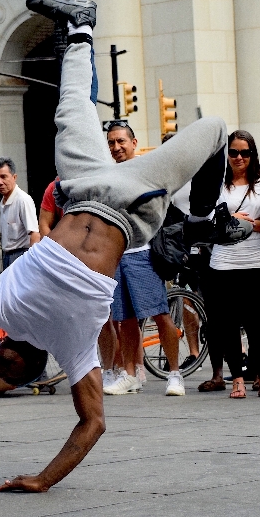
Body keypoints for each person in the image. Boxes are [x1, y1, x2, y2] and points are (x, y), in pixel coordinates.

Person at [0, 0, 247, 492]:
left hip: (84, 188)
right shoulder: (72, 351)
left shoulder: (5, 306)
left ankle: (81, 28)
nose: (0, 351)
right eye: (4, 360)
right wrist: (42, 479)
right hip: (131, 202)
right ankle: (205, 218)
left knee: (71, 107)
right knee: (215, 128)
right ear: (30, 364)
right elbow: (92, 423)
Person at [101, 121, 188, 397]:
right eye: (112, 143)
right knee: (124, 319)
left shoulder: (147, 171)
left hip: (144, 254)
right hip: (117, 256)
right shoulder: (107, 176)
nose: (116, 147)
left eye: (121, 141)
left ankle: (175, 375)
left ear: (134, 143)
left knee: (160, 315)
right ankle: (130, 374)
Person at [201, 130, 260, 398]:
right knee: (228, 324)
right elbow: (208, 223)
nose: (238, 157)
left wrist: (242, 223)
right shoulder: (217, 186)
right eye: (233, 152)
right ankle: (237, 378)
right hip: (224, 263)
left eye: (245, 152)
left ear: (253, 155)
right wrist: (231, 218)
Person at [0, 158, 39, 268]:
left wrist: (32, 263)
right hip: (6, 256)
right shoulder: (2, 201)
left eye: (4, 177)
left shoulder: (23, 200)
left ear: (14, 177)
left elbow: (35, 234)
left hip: (21, 255)